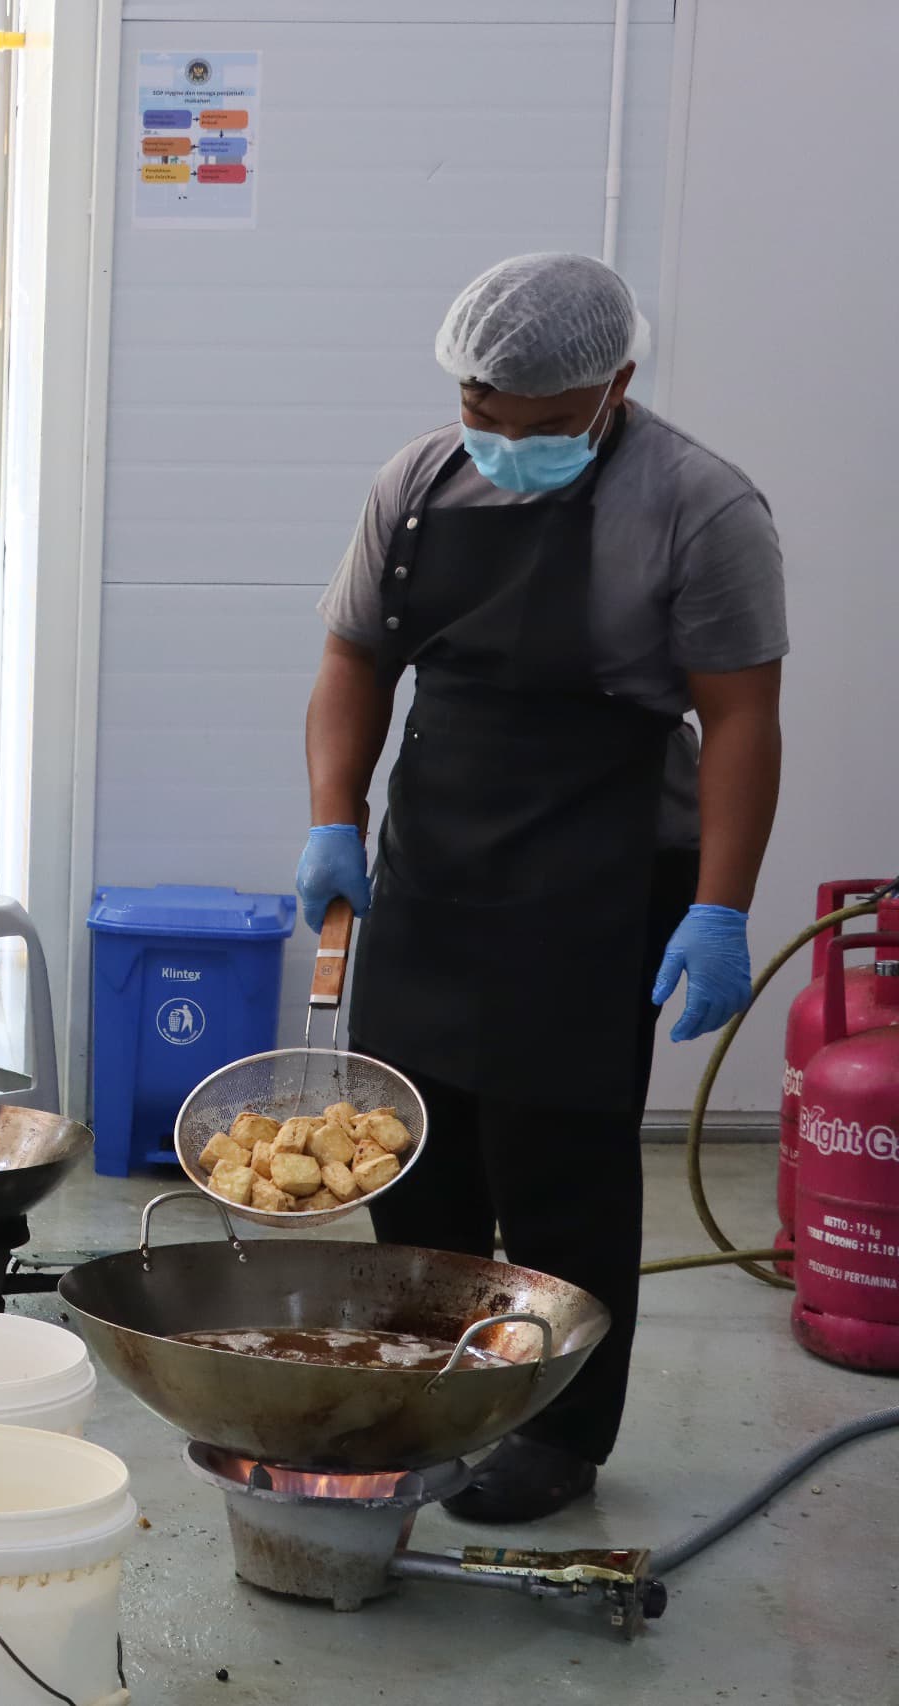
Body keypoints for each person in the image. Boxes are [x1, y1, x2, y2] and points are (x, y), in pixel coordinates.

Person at [299, 253, 785, 1521]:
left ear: (614, 383)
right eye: (482, 410)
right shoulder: (415, 483)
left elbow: (741, 717)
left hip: (599, 874)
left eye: (545, 422)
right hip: (435, 862)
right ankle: (426, 1392)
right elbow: (353, 657)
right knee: (411, 1154)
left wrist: (720, 905)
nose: (507, 443)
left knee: (557, 1168)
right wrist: (333, 816)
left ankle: (559, 1432)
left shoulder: (699, 505)